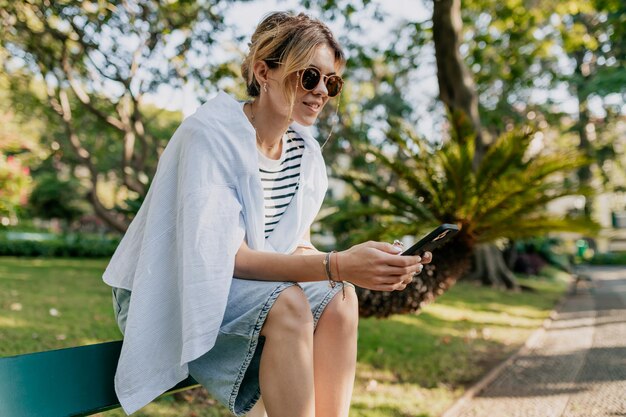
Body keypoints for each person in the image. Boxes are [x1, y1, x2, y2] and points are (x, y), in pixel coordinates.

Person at [104, 11, 431, 417]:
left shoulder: (303, 151)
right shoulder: (209, 136)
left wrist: (363, 264)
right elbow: (229, 258)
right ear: (264, 72)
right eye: (309, 76)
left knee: (342, 297)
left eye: (332, 82)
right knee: (291, 304)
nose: (321, 91)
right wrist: (340, 263)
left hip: (238, 286)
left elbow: (296, 246)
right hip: (167, 287)